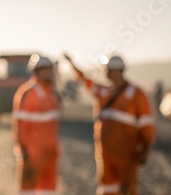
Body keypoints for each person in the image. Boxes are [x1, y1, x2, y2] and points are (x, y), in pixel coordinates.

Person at [65, 54, 155, 195]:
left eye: (108, 70)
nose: (105, 73)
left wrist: (145, 149)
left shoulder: (136, 94)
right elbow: (85, 81)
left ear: (117, 71)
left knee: (127, 189)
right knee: (107, 189)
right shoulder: (104, 92)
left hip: (127, 156)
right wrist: (72, 65)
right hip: (106, 155)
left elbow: (147, 125)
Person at [12, 55, 59, 195]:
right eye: (46, 70)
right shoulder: (27, 93)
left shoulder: (51, 94)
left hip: (50, 154)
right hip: (32, 155)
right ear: (37, 71)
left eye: (50, 70)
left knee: (48, 191)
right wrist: (22, 149)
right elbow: (19, 124)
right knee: (28, 191)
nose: (50, 73)